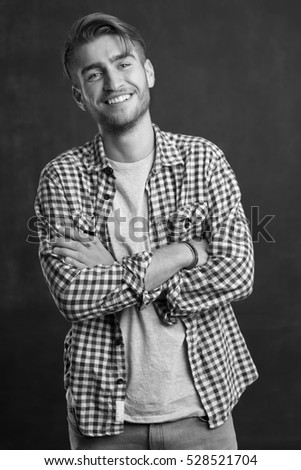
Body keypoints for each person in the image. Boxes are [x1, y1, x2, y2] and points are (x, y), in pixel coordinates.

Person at [35, 12, 258, 450]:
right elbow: (73, 297)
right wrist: (185, 252)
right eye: (94, 73)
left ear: (147, 72)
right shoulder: (62, 178)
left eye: (123, 64)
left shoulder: (204, 160)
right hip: (104, 418)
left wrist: (115, 270)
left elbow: (238, 272)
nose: (113, 82)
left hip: (204, 408)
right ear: (80, 96)